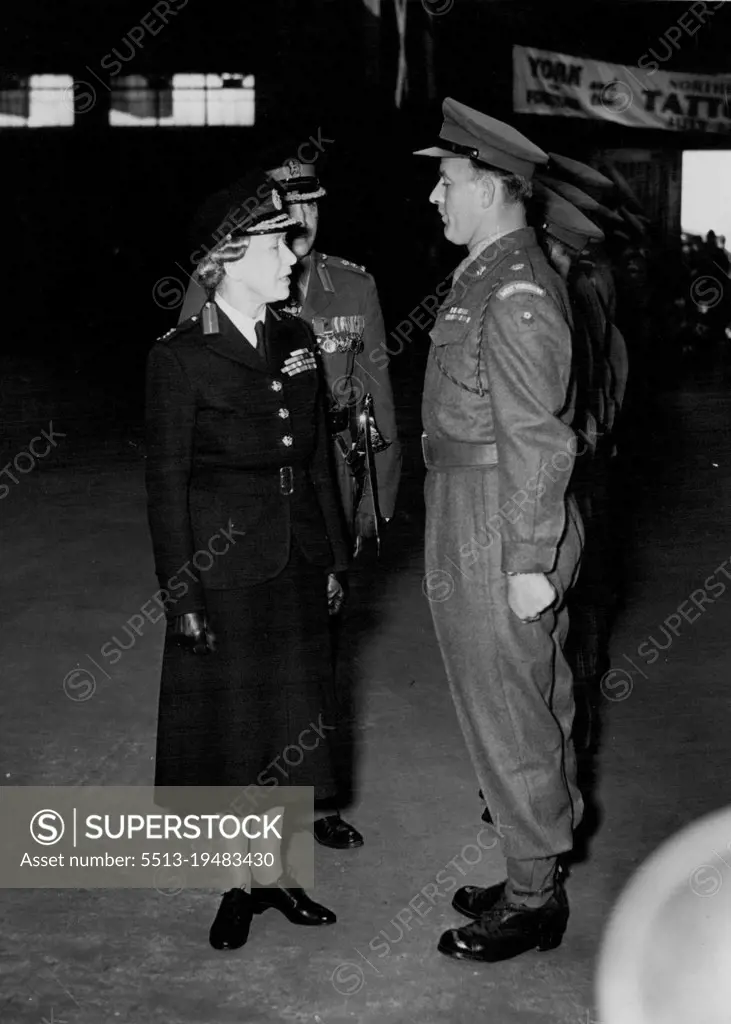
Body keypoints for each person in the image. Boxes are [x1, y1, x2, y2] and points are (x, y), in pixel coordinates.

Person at [145, 170, 349, 951]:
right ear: (223, 259)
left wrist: (330, 554)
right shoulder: (179, 359)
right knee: (235, 732)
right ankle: (240, 885)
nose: (291, 256)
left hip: (295, 555)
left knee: (290, 722)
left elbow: (320, 457)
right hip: (223, 569)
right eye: (274, 245)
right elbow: (165, 487)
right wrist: (181, 596)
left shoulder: (297, 338)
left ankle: (279, 875)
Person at [415, 97, 584, 963]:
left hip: (498, 512)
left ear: (489, 189)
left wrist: (526, 559)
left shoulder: (513, 290)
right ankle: (532, 864)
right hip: (470, 500)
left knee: (509, 708)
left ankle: (532, 899)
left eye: (446, 184)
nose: (435, 199)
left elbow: (537, 435)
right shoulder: (485, 272)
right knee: (513, 700)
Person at [180, 156, 401, 557]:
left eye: (312, 204)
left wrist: (376, 497)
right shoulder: (221, 281)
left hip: (335, 474)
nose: (302, 218)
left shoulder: (354, 286)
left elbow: (376, 397)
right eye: (289, 204)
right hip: (248, 478)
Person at [532, 183, 622, 752]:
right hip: (582, 467)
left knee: (563, 628)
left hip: (566, 477)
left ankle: (560, 761)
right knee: (575, 619)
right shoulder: (576, 289)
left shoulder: (563, 296)